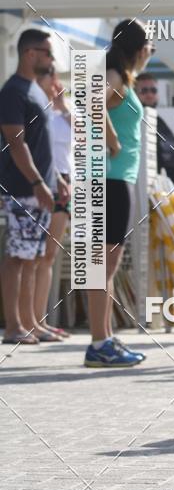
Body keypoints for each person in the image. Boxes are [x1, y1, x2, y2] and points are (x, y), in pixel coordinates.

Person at [84, 19, 152, 368]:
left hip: (114, 180)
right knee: (103, 267)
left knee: (105, 267)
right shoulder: (113, 73)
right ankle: (99, 341)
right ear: (140, 49)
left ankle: (105, 337)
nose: (150, 54)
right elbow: (92, 100)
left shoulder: (119, 75)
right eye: (150, 48)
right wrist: (111, 138)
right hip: (110, 180)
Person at [0, 29, 69, 345]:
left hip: (40, 188)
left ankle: (30, 322)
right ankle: (14, 326)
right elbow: (16, 142)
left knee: (33, 257)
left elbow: (44, 146)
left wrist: (55, 180)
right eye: (47, 52)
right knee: (18, 257)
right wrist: (39, 182)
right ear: (30, 53)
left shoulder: (36, 91)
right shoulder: (14, 91)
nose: (52, 60)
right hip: (22, 189)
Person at [34, 68, 73, 340]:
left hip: (65, 184)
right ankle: (32, 320)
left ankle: (39, 319)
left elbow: (87, 137)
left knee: (48, 256)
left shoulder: (64, 115)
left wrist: (63, 105)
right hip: (44, 182)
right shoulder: (37, 114)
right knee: (35, 256)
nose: (54, 84)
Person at [136, 72, 174, 192]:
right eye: (144, 90)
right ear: (134, 94)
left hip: (166, 191)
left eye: (153, 90)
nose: (149, 94)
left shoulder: (157, 119)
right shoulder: (134, 118)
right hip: (146, 189)